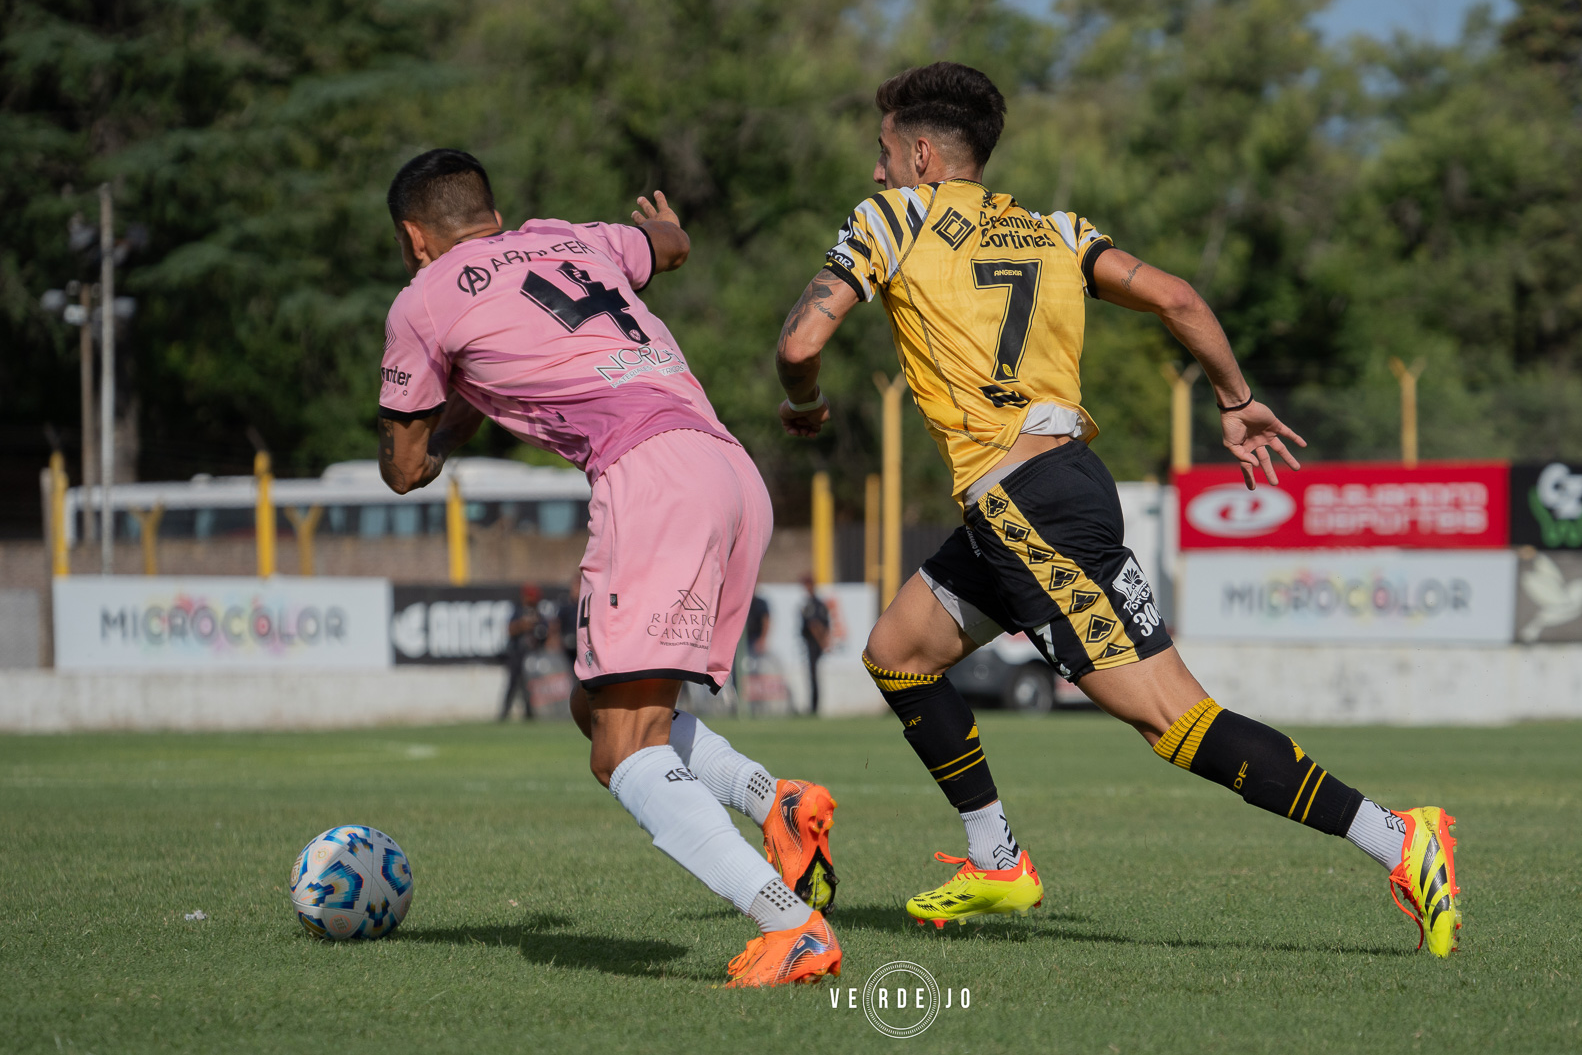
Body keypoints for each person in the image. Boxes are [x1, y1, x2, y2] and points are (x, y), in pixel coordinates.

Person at [772, 63, 1462, 957]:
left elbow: (799, 340)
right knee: (897, 653)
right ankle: (997, 859)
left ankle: (1400, 840)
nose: (875, 174)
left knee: (1174, 721)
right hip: (1048, 493)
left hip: (1027, 507)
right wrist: (1235, 397)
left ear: (920, 152)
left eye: (882, 154)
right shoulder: (1057, 230)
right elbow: (1177, 295)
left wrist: (802, 402)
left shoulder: (892, 219)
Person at [375, 148, 840, 986]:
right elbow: (667, 245)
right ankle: (776, 799)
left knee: (622, 750)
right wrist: (662, 227)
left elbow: (405, 465)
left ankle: (791, 924)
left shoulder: (423, 300)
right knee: (598, 706)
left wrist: (438, 430)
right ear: (489, 212)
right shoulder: (574, 239)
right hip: (729, 467)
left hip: (652, 478)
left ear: (414, 237)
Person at [499, 583, 542, 722]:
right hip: (517, 653)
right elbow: (510, 629)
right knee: (513, 684)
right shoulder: (518, 611)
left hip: (531, 655)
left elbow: (545, 631)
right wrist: (523, 625)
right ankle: (505, 712)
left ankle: (529, 713)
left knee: (527, 686)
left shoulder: (537, 613)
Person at [800, 576, 833, 715]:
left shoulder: (811, 604)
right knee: (813, 676)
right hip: (817, 643)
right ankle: (814, 706)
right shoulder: (820, 603)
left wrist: (821, 642)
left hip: (814, 644)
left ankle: (814, 707)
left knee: (813, 676)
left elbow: (815, 625)